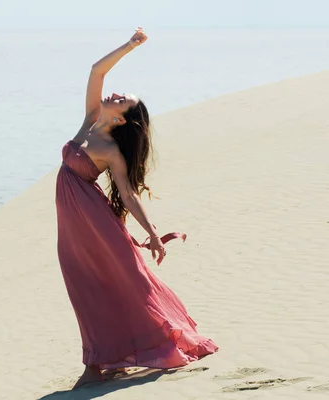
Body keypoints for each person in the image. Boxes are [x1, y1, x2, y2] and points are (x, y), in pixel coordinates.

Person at [55, 27, 218, 390]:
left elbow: (127, 195)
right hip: (71, 225)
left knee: (102, 286)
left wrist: (152, 234)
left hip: (91, 224)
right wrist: (129, 46)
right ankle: (109, 359)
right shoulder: (91, 120)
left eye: (121, 98)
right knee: (83, 286)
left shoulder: (111, 150)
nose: (113, 93)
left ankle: (97, 364)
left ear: (123, 117)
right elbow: (97, 71)